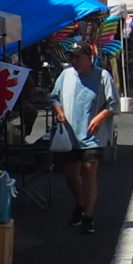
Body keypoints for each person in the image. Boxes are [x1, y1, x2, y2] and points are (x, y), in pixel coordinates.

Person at [49, 39, 116, 233]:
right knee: (70, 173)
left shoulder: (102, 76)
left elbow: (113, 103)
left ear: (89, 58)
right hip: (70, 134)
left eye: (78, 57)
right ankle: (80, 204)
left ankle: (88, 215)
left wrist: (100, 117)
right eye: (72, 57)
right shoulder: (66, 75)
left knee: (89, 172)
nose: (74, 61)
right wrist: (59, 111)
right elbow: (54, 97)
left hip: (93, 136)